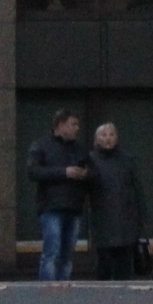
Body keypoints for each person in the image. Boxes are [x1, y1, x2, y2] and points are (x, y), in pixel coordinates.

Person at [25, 110, 92, 281]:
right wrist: (64, 173)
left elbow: (92, 171)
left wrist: (86, 174)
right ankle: (48, 290)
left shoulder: (79, 148)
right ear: (61, 126)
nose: (77, 128)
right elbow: (33, 171)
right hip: (51, 206)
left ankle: (63, 288)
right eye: (73, 124)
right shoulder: (41, 145)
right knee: (52, 251)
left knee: (67, 254)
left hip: (74, 207)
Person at [87, 122, 150, 281]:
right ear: (96, 139)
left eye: (111, 134)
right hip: (102, 219)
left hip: (126, 218)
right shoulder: (90, 160)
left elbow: (138, 189)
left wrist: (143, 217)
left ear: (117, 138)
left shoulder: (127, 160)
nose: (108, 139)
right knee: (104, 264)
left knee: (124, 265)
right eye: (103, 135)